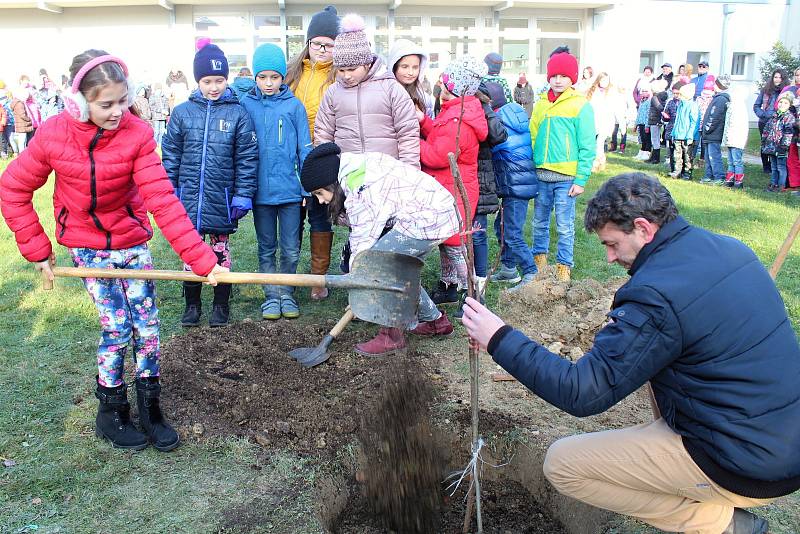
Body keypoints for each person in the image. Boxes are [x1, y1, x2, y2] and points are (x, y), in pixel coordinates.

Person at [462, 172, 800, 534]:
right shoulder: (732, 249)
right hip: (782, 438)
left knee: (563, 464)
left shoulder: (656, 295)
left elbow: (582, 391)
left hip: (746, 466)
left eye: (612, 244)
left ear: (643, 228)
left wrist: (498, 337)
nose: (608, 258)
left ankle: (722, 522)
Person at [0, 49, 228, 452]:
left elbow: (163, 200)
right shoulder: (53, 135)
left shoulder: (138, 134)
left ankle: (150, 407)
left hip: (131, 242)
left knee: (149, 328)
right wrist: (37, 248)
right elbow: (13, 189)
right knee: (117, 327)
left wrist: (202, 260)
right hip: (87, 247)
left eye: (123, 100)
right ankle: (111, 410)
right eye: (106, 104)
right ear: (78, 101)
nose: (118, 111)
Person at [300, 142, 459, 355]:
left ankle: (391, 336)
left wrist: (358, 293)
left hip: (430, 216)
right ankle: (436, 322)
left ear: (332, 183)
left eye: (320, 193)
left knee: (382, 265)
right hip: (430, 211)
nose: (320, 200)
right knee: (400, 271)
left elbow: (363, 250)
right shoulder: (353, 170)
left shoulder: (360, 188)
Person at [161, 39, 258, 327]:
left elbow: (247, 158)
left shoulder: (238, 114)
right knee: (190, 254)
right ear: (197, 80)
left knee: (220, 253)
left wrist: (242, 195)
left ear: (226, 79)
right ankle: (192, 305)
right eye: (207, 80)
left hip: (221, 199)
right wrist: (171, 189)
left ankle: (220, 305)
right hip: (188, 199)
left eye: (219, 80)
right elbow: (171, 154)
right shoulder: (181, 113)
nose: (213, 86)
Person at [240, 43, 312, 320]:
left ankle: (287, 293)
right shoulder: (245, 105)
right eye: (262, 77)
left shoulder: (294, 107)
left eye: (274, 77)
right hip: (260, 193)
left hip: (291, 192)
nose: (268, 83)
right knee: (266, 246)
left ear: (283, 77)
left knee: (291, 248)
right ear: (255, 78)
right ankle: (271, 296)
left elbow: (304, 149)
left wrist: (306, 186)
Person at [418, 56, 488, 305]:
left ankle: (474, 295)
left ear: (454, 88)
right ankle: (449, 287)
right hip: (449, 188)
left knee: (454, 245)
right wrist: (424, 121)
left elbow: (439, 155)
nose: (441, 88)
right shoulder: (457, 112)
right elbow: (440, 135)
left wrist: (413, 142)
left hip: (456, 191)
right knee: (446, 242)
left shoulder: (460, 122)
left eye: (445, 84)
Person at [284, 4, 340, 301]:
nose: (321, 49)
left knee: (320, 217)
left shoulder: (337, 76)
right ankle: (289, 277)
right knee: (293, 218)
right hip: (291, 158)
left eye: (329, 45)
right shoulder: (292, 74)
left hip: (320, 158)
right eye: (317, 43)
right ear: (308, 43)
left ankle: (319, 278)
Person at [314, 13, 419, 168]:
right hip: (348, 173)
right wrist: (325, 170)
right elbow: (323, 134)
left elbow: (408, 134)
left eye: (352, 69)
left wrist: (410, 172)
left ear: (367, 64)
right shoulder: (333, 92)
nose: (346, 75)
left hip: (387, 172)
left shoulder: (391, 88)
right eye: (341, 70)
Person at [528, 46, 595, 283]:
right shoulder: (541, 104)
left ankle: (564, 266)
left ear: (572, 78)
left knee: (564, 225)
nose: (558, 80)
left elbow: (588, 145)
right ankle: (539, 263)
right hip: (542, 176)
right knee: (539, 222)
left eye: (563, 76)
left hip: (566, 179)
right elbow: (533, 135)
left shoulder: (580, 105)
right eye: (554, 76)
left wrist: (581, 179)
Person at [489, 98, 539, 291]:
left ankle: (530, 271)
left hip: (515, 187)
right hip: (520, 185)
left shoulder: (498, 122)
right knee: (501, 226)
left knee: (512, 233)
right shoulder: (515, 117)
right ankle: (509, 269)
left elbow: (496, 146)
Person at [388, 39, 435, 118]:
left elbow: (430, 127)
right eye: (405, 67)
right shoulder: (384, 94)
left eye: (415, 67)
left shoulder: (425, 98)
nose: (411, 72)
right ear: (394, 67)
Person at [586, 72, 622, 171]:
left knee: (600, 142)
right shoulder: (592, 91)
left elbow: (617, 108)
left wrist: (622, 123)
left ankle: (598, 163)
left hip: (606, 121)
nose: (604, 82)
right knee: (592, 143)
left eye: (606, 80)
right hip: (593, 121)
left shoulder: (612, 92)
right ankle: (597, 162)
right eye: (602, 80)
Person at [761, 91, 796, 192]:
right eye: (781, 102)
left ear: (789, 105)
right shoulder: (774, 116)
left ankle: (781, 186)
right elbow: (767, 129)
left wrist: (784, 146)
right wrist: (764, 141)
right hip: (771, 146)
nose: (782, 104)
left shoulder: (789, 117)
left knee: (781, 167)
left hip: (781, 148)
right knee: (774, 167)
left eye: (785, 103)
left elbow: (788, 133)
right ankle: (773, 184)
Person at [754, 69, 787, 174]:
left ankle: (776, 167)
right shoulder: (765, 90)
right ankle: (766, 167)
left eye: (779, 77)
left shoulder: (785, 91)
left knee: (776, 144)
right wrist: (762, 114)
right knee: (764, 144)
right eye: (775, 77)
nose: (777, 80)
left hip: (778, 121)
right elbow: (756, 105)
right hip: (764, 122)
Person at [700, 75, 730, 185]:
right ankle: (709, 175)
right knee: (708, 156)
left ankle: (719, 176)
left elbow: (715, 116)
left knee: (714, 156)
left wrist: (707, 128)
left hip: (714, 134)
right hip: (709, 134)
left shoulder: (721, 99)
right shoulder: (717, 98)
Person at [721, 84, 749, 189]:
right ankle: (730, 179)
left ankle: (738, 181)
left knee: (737, 160)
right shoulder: (732, 106)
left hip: (737, 139)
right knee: (730, 160)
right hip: (731, 138)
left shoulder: (739, 108)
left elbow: (737, 125)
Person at [670, 82, 700, 180]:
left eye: (681, 94)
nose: (679, 96)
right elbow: (677, 120)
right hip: (678, 135)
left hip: (687, 137)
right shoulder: (680, 105)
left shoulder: (693, 106)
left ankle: (687, 173)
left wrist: (690, 136)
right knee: (677, 155)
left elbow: (694, 122)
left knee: (688, 156)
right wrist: (673, 133)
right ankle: (677, 171)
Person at [779, 67, 800, 189]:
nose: (798, 77)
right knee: (792, 158)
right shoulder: (790, 90)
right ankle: (794, 184)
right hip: (791, 130)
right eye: (797, 75)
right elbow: (780, 105)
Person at [662, 81, 683, 175]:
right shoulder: (670, 102)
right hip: (670, 129)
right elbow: (665, 117)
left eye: (677, 93)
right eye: (674, 93)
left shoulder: (684, 103)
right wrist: (665, 117)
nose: (675, 95)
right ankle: (672, 169)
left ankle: (680, 171)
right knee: (670, 150)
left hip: (681, 131)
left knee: (679, 152)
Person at [646, 78, 668, 164]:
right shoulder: (663, 97)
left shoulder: (654, 98)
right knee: (656, 139)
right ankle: (653, 157)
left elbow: (659, 107)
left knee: (654, 139)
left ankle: (655, 158)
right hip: (658, 120)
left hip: (654, 120)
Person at [633, 83, 652, 161]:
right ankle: (642, 152)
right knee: (642, 139)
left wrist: (647, 126)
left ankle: (647, 153)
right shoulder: (641, 101)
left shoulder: (649, 101)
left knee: (647, 139)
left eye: (646, 91)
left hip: (646, 123)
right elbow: (639, 113)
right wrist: (635, 124)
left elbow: (648, 114)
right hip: (640, 123)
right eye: (642, 91)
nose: (644, 92)